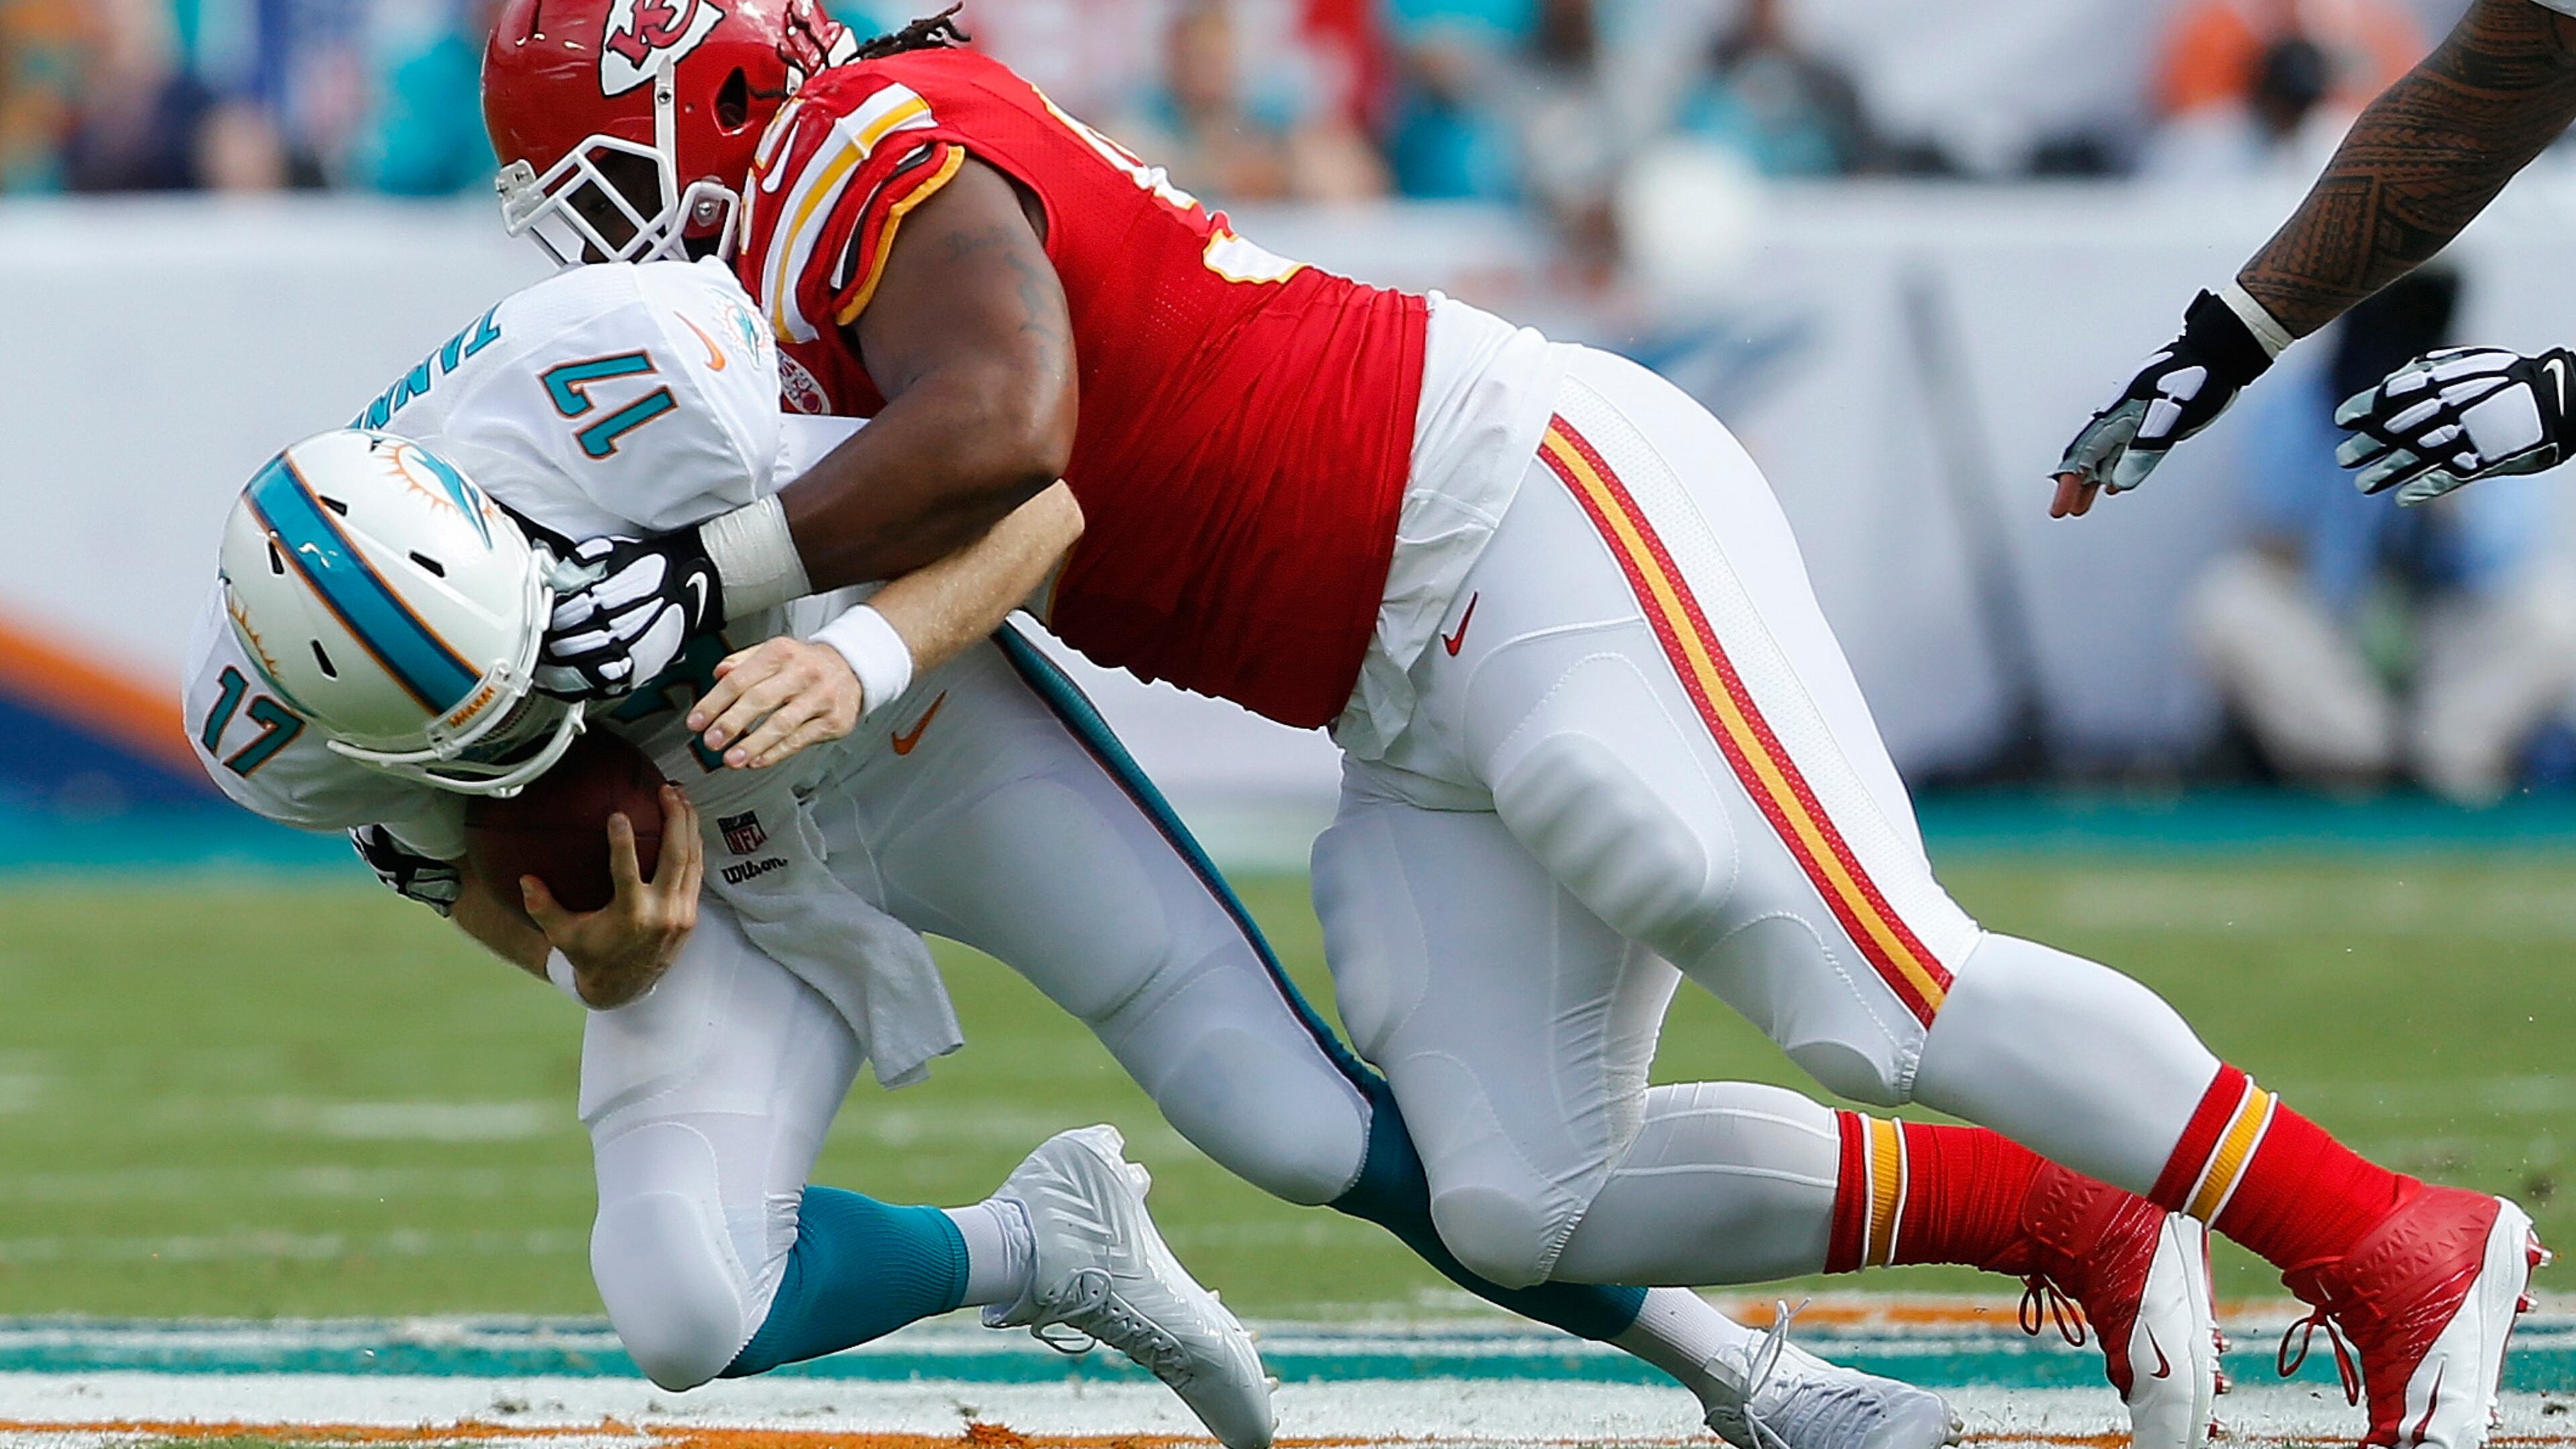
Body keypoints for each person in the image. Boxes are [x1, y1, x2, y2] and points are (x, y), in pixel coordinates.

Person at [483, 6, 2538, 1448]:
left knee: (1861, 983)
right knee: (1519, 1198)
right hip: (1389, 676)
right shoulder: (782, 285)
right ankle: (2069, 1211)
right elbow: (1030, 501)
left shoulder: (856, 147)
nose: (596, 235)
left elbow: (1008, 426)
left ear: (717, 83)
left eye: (597, 180)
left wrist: (721, 573)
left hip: (1512, 505)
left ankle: (2394, 1241)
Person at [191, 254, 1961, 1449]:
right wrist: (601, 958)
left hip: (907, 734)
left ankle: (1737, 1370)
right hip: (714, 873)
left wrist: (860, 651)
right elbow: (470, 880)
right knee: (680, 1306)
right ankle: (1042, 1248)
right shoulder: (274, 737)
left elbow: (1032, 506)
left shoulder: (628, 399)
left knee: (1294, 1121)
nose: (532, 728)